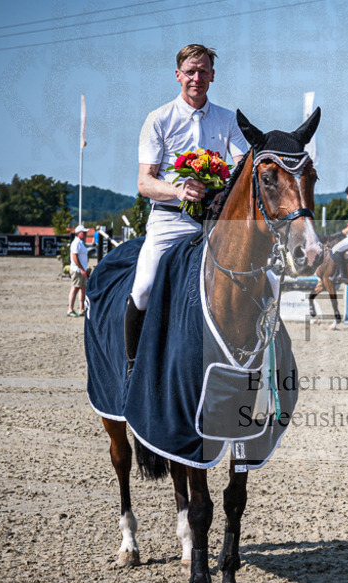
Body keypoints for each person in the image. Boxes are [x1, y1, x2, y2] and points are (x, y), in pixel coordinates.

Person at [126, 43, 248, 376]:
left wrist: (218, 189)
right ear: (178, 75)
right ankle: (133, 367)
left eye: (203, 71)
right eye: (190, 71)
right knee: (144, 288)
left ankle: (245, 365)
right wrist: (179, 189)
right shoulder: (159, 119)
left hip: (214, 225)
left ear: (213, 75)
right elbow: (144, 182)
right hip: (170, 221)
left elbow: (242, 172)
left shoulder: (228, 120)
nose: (197, 77)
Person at [67, 225, 90, 317]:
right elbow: (75, 257)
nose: (85, 234)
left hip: (82, 270)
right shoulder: (76, 243)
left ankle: (81, 309)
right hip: (77, 270)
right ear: (78, 233)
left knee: (83, 289)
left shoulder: (81, 243)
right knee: (75, 288)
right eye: (83, 232)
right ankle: (70, 309)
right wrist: (81, 269)